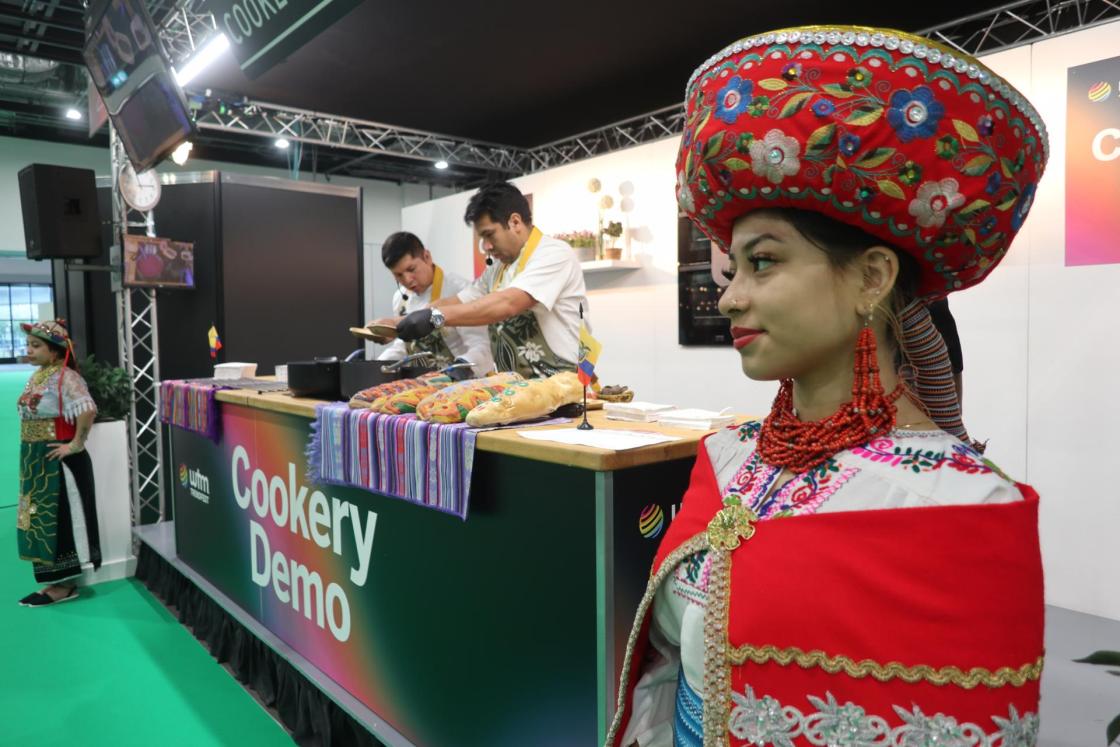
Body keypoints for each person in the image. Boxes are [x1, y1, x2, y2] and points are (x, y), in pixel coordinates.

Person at [610, 26, 1046, 746]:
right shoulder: (729, 457)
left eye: (764, 262)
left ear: (872, 277)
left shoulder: (961, 507)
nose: (730, 298)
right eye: (734, 269)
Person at [378, 182, 589, 379]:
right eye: (482, 238)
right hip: (520, 386)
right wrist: (397, 324)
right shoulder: (497, 270)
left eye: (489, 235)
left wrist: (436, 317)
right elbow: (460, 300)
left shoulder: (554, 254)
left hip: (565, 381)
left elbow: (508, 303)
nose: (486, 246)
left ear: (515, 222)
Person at [15, 320, 101, 607]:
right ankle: (54, 579)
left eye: (36, 346)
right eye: (29, 345)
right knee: (37, 517)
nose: (29, 350)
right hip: (35, 461)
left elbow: (87, 409)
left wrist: (75, 444)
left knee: (60, 518)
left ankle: (66, 584)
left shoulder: (67, 377)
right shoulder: (38, 376)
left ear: (54, 352)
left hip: (58, 463)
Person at [372, 231, 494, 376]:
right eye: (398, 275)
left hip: (464, 380)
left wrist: (462, 367)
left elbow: (481, 346)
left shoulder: (459, 290)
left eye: (411, 269)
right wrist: (378, 366)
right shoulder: (400, 299)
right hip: (423, 382)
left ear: (427, 257)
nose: (407, 280)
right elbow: (404, 346)